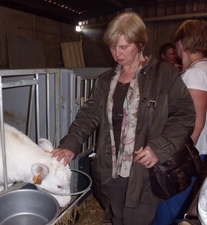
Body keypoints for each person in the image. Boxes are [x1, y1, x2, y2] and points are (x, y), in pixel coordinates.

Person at [51, 12, 196, 225]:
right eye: (112, 47)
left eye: (124, 47)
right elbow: (88, 115)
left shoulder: (164, 74)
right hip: (110, 169)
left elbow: (184, 115)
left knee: (137, 219)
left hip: (143, 172)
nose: (116, 53)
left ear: (140, 43)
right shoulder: (105, 80)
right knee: (115, 215)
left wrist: (159, 147)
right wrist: (70, 145)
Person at [153, 19, 207, 225]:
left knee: (170, 204)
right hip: (197, 150)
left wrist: (173, 156)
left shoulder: (195, 74)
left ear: (182, 43)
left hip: (185, 152)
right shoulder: (200, 69)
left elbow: (196, 123)